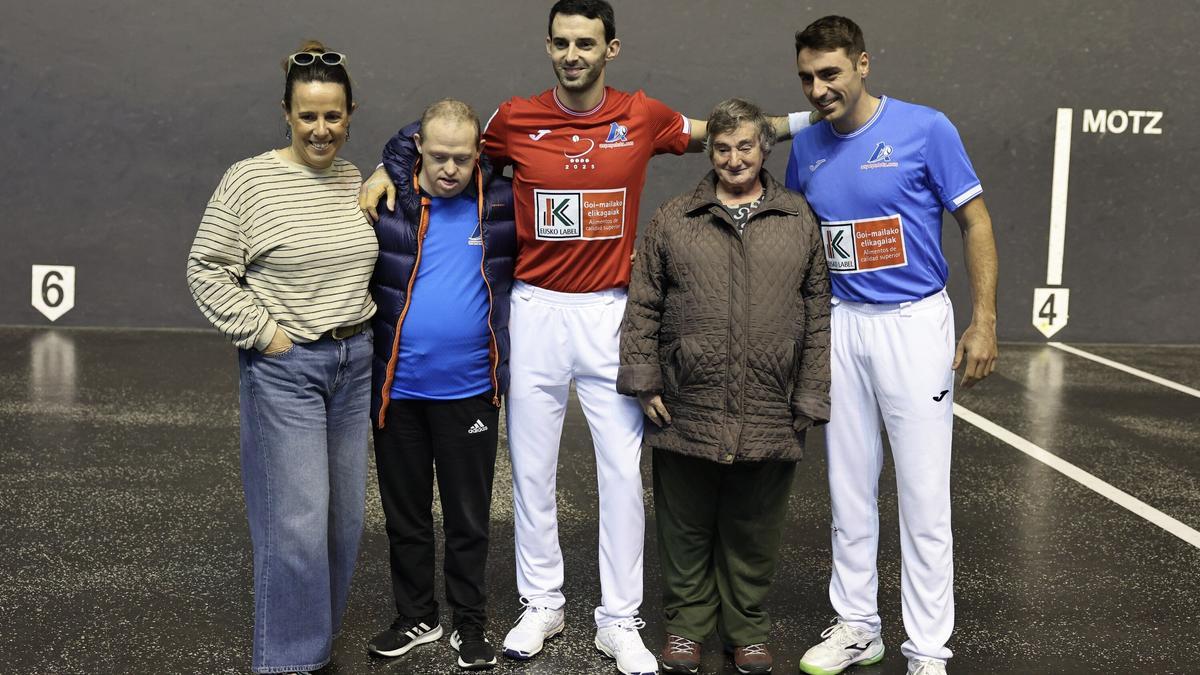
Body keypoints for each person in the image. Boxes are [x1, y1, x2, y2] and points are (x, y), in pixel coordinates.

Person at [359, 4, 811, 673]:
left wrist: (813, 119)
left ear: (611, 48)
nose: (573, 54)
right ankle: (542, 603)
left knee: (622, 474)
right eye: (562, 42)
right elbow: (438, 135)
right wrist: (380, 162)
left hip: (610, 312)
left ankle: (619, 619)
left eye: (586, 43)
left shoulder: (643, 115)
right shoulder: (513, 119)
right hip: (536, 310)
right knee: (532, 472)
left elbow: (727, 132)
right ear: (549, 46)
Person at [783, 16, 999, 675]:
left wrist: (984, 317)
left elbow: (976, 220)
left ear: (863, 64)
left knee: (924, 494)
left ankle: (928, 650)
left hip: (913, 324)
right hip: (843, 325)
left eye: (831, 73)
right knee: (848, 488)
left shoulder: (926, 128)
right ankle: (857, 626)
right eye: (807, 78)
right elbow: (797, 242)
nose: (820, 88)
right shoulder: (807, 148)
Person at [618, 98, 831, 675]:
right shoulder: (673, 218)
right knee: (683, 524)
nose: (734, 158)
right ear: (709, 152)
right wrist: (644, 378)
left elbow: (817, 311)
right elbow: (644, 305)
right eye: (722, 147)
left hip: (770, 401)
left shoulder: (798, 219)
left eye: (745, 146)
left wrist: (810, 391)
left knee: (754, 526)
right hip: (688, 400)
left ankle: (747, 628)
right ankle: (686, 627)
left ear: (764, 148)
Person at [185, 41, 376, 675]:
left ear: (350, 115)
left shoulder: (356, 178)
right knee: (294, 525)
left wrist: (388, 168)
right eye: (308, 116)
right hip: (288, 368)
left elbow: (426, 142)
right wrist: (264, 334)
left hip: (355, 364)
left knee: (344, 521)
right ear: (286, 114)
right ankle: (292, 662)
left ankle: (314, 642)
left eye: (333, 116)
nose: (321, 130)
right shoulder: (250, 181)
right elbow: (207, 268)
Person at [364, 99, 516, 672]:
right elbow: (404, 144)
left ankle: (468, 623)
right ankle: (417, 616)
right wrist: (387, 167)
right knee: (405, 515)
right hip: (397, 392)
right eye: (436, 155)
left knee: (468, 517)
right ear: (418, 151)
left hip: (470, 391)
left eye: (460, 157)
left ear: (479, 154)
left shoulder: (500, 202)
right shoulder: (394, 200)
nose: (448, 168)